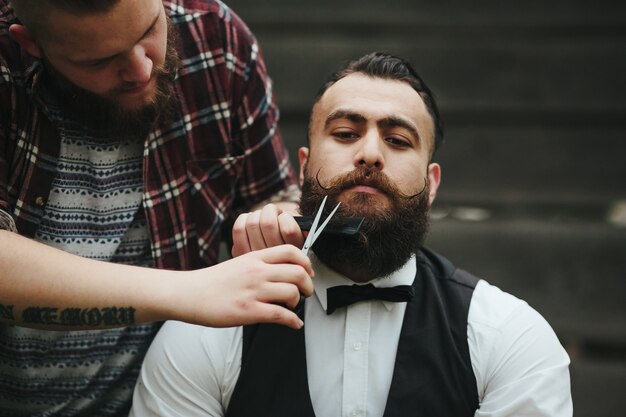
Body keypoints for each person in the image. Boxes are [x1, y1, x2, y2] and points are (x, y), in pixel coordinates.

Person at [130, 52, 573, 417]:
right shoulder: (209, 333)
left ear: (432, 184)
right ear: (303, 167)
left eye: (399, 140)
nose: (370, 154)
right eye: (345, 133)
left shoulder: (510, 338)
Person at [0, 0, 315, 415]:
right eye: (100, 61)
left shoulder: (218, 41)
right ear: (31, 42)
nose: (142, 69)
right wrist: (192, 291)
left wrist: (273, 220)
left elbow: (272, 192)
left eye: (149, 30)